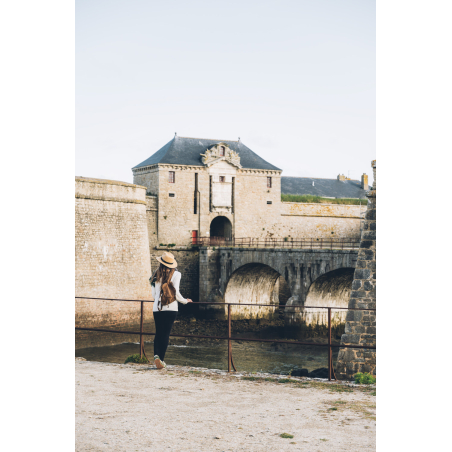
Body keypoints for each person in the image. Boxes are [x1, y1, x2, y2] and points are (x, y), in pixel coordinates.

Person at [150, 251, 192, 369]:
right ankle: (161, 360)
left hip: (157, 308)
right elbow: (176, 293)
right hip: (171, 308)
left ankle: (156, 356)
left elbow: (154, 294)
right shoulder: (176, 274)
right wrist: (185, 301)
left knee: (158, 333)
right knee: (165, 334)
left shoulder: (155, 274)